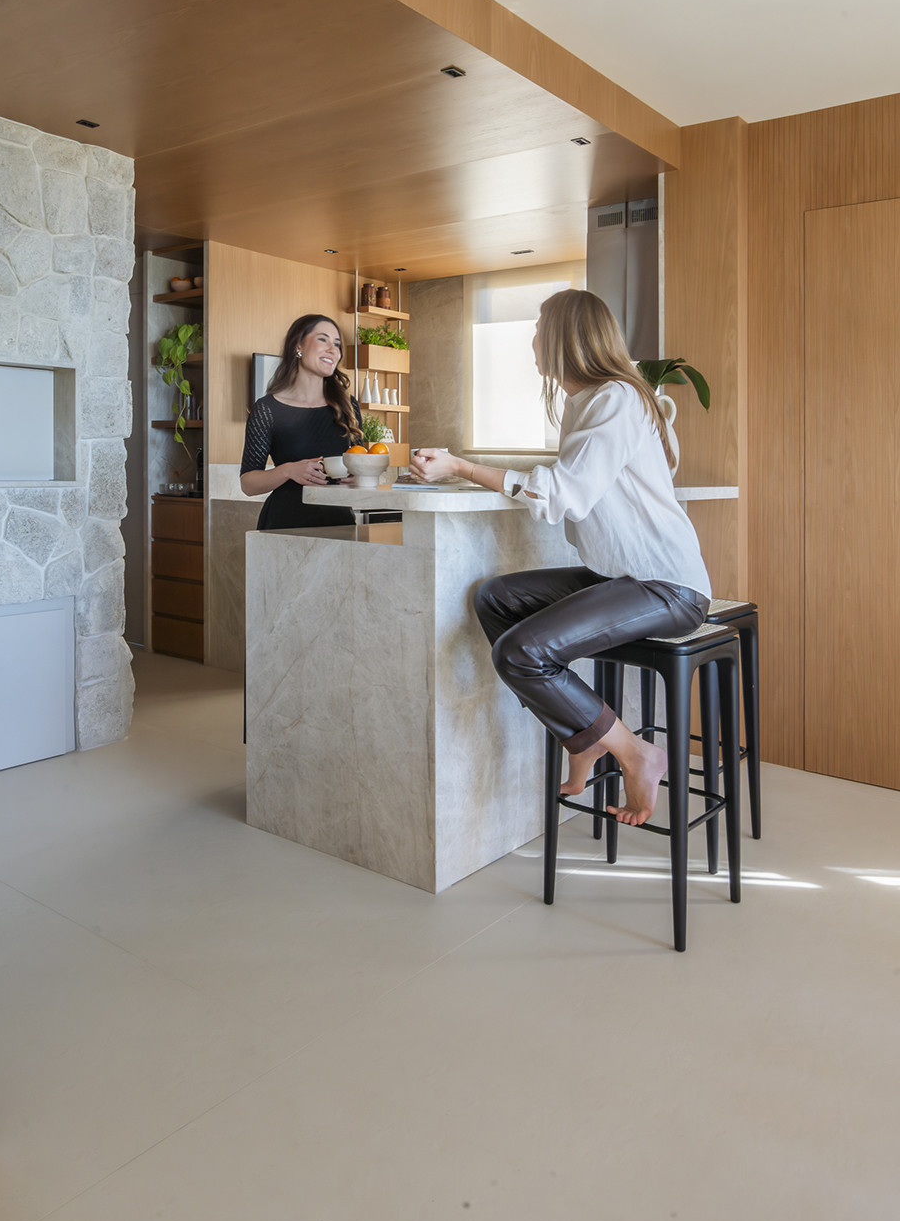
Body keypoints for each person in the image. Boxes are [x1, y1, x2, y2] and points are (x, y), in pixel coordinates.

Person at [410, 288, 711, 827]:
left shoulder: (616, 398)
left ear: (563, 338)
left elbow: (564, 493)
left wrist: (461, 466)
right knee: (495, 598)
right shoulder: (583, 403)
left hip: (667, 586)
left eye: (538, 329)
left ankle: (636, 752)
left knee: (520, 652)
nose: (531, 340)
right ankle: (585, 737)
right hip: (620, 578)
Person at [240, 314, 362, 531]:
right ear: (298, 345)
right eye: (323, 339)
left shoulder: (347, 406)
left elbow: (361, 463)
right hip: (284, 527)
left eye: (337, 344)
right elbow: (248, 484)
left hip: (339, 526)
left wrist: (358, 476)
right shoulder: (267, 409)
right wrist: (288, 471)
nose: (333, 350)